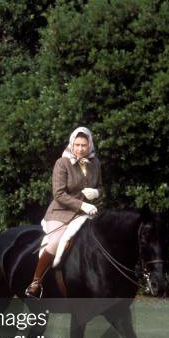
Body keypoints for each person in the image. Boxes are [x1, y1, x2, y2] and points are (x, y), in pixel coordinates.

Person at [25, 126, 102, 297]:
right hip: (61, 212)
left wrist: (97, 193)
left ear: (90, 145)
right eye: (77, 145)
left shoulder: (95, 163)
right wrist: (82, 205)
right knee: (55, 241)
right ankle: (36, 282)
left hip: (87, 214)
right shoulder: (62, 163)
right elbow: (58, 194)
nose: (80, 149)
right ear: (72, 144)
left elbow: (101, 187)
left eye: (84, 145)